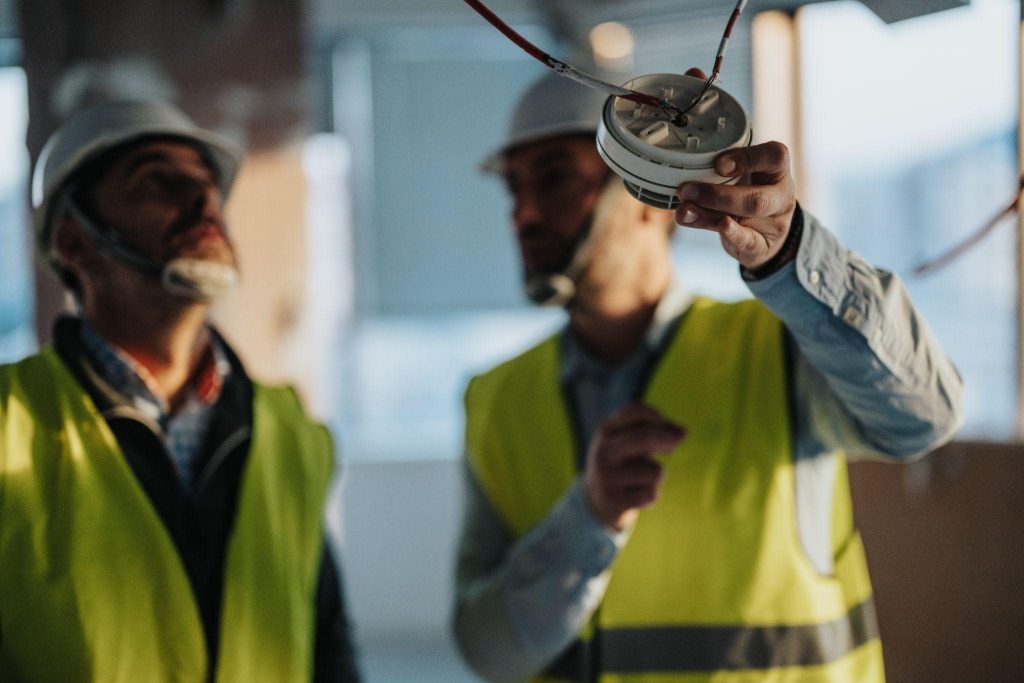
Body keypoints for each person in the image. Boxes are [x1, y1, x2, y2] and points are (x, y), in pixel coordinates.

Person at [453, 69, 963, 683]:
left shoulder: (777, 349)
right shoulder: (496, 401)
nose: (524, 214)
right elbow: (488, 652)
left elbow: (924, 417)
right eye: (514, 188)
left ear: (649, 196)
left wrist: (794, 254)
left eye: (556, 179)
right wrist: (586, 519)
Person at [0, 101, 360, 682]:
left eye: (208, 186)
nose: (203, 201)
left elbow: (328, 645)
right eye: (157, 181)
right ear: (73, 243)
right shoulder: (8, 424)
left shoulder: (289, 428)